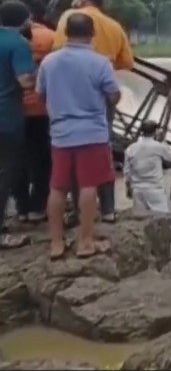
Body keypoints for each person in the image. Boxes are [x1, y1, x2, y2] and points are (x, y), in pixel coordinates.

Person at [37, 13, 121, 260]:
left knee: (57, 187)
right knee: (88, 185)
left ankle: (56, 243)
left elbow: (41, 93)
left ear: (66, 33)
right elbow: (113, 95)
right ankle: (85, 241)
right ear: (92, 34)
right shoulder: (100, 62)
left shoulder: (49, 62)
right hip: (92, 133)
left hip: (61, 134)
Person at [52, 0, 133, 223]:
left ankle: (78, 211)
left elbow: (57, 50)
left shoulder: (69, 16)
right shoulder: (114, 26)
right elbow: (127, 62)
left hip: (69, 94)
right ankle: (108, 209)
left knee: (72, 152)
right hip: (102, 94)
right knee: (103, 148)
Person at [0, 0, 36, 250]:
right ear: (24, 20)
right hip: (6, 118)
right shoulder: (18, 43)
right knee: (4, 175)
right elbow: (25, 81)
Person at [17, 0, 55, 224]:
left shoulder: (8, 38)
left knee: (15, 160)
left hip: (12, 109)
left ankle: (21, 208)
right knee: (43, 159)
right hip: (42, 109)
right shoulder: (51, 38)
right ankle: (38, 206)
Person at [123, 120, 171, 214]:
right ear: (155, 131)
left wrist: (128, 188)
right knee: (161, 217)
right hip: (155, 188)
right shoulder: (158, 146)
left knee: (140, 218)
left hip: (137, 189)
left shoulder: (130, 148)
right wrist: (163, 141)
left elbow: (127, 171)